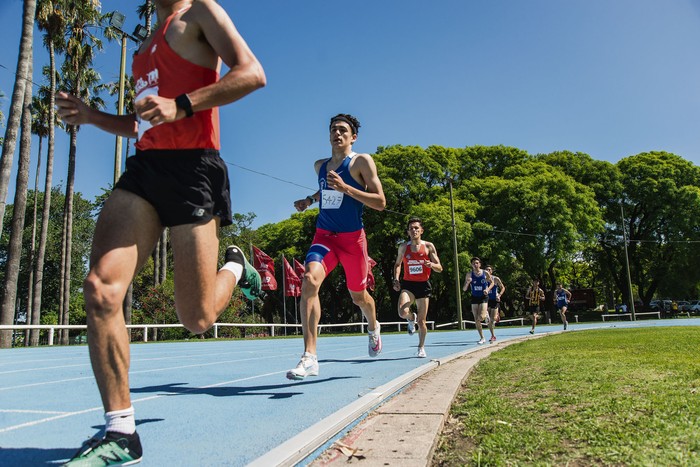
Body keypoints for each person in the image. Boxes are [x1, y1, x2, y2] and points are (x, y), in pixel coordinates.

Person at [55, 1, 266, 464]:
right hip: (146, 170)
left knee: (198, 319)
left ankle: (235, 266)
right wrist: (91, 116)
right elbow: (140, 124)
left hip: (194, 169)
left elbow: (251, 73)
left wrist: (182, 104)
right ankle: (121, 432)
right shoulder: (145, 44)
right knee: (100, 290)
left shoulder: (201, 13)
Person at [287, 114, 386, 380]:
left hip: (353, 241)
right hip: (325, 237)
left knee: (359, 297)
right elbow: (326, 191)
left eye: (343, 130)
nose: (337, 134)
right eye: (333, 129)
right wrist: (309, 199)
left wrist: (347, 188)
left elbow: (380, 201)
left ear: (353, 137)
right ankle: (309, 356)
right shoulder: (320, 165)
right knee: (308, 280)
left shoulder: (361, 162)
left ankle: (373, 326)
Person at [392, 217, 443, 358]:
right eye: (411, 228)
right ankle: (410, 317)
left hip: (423, 285)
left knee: (422, 322)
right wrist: (396, 279)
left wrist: (431, 265)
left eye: (416, 228)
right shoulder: (403, 247)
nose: (414, 230)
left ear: (421, 230)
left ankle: (421, 347)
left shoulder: (428, 246)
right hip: (408, 284)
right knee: (402, 312)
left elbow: (440, 268)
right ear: (408, 232)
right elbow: (398, 264)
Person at [462, 257, 493, 344]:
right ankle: (482, 337)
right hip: (474, 297)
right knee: (476, 319)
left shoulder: (485, 273)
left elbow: (492, 283)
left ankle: (485, 315)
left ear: (480, 264)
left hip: (483, 297)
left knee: (481, 317)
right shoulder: (469, 274)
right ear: (471, 265)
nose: (475, 265)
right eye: (473, 263)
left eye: (477, 263)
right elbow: (464, 289)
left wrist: (487, 289)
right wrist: (468, 283)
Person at [484, 265, 506, 342]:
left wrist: (499, 295)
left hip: (494, 300)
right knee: (488, 319)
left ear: (491, 271)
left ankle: (497, 316)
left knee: (492, 319)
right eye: (486, 270)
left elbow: (503, 287)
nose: (488, 271)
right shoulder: (482, 279)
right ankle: (493, 336)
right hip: (486, 300)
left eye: (489, 270)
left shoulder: (495, 279)